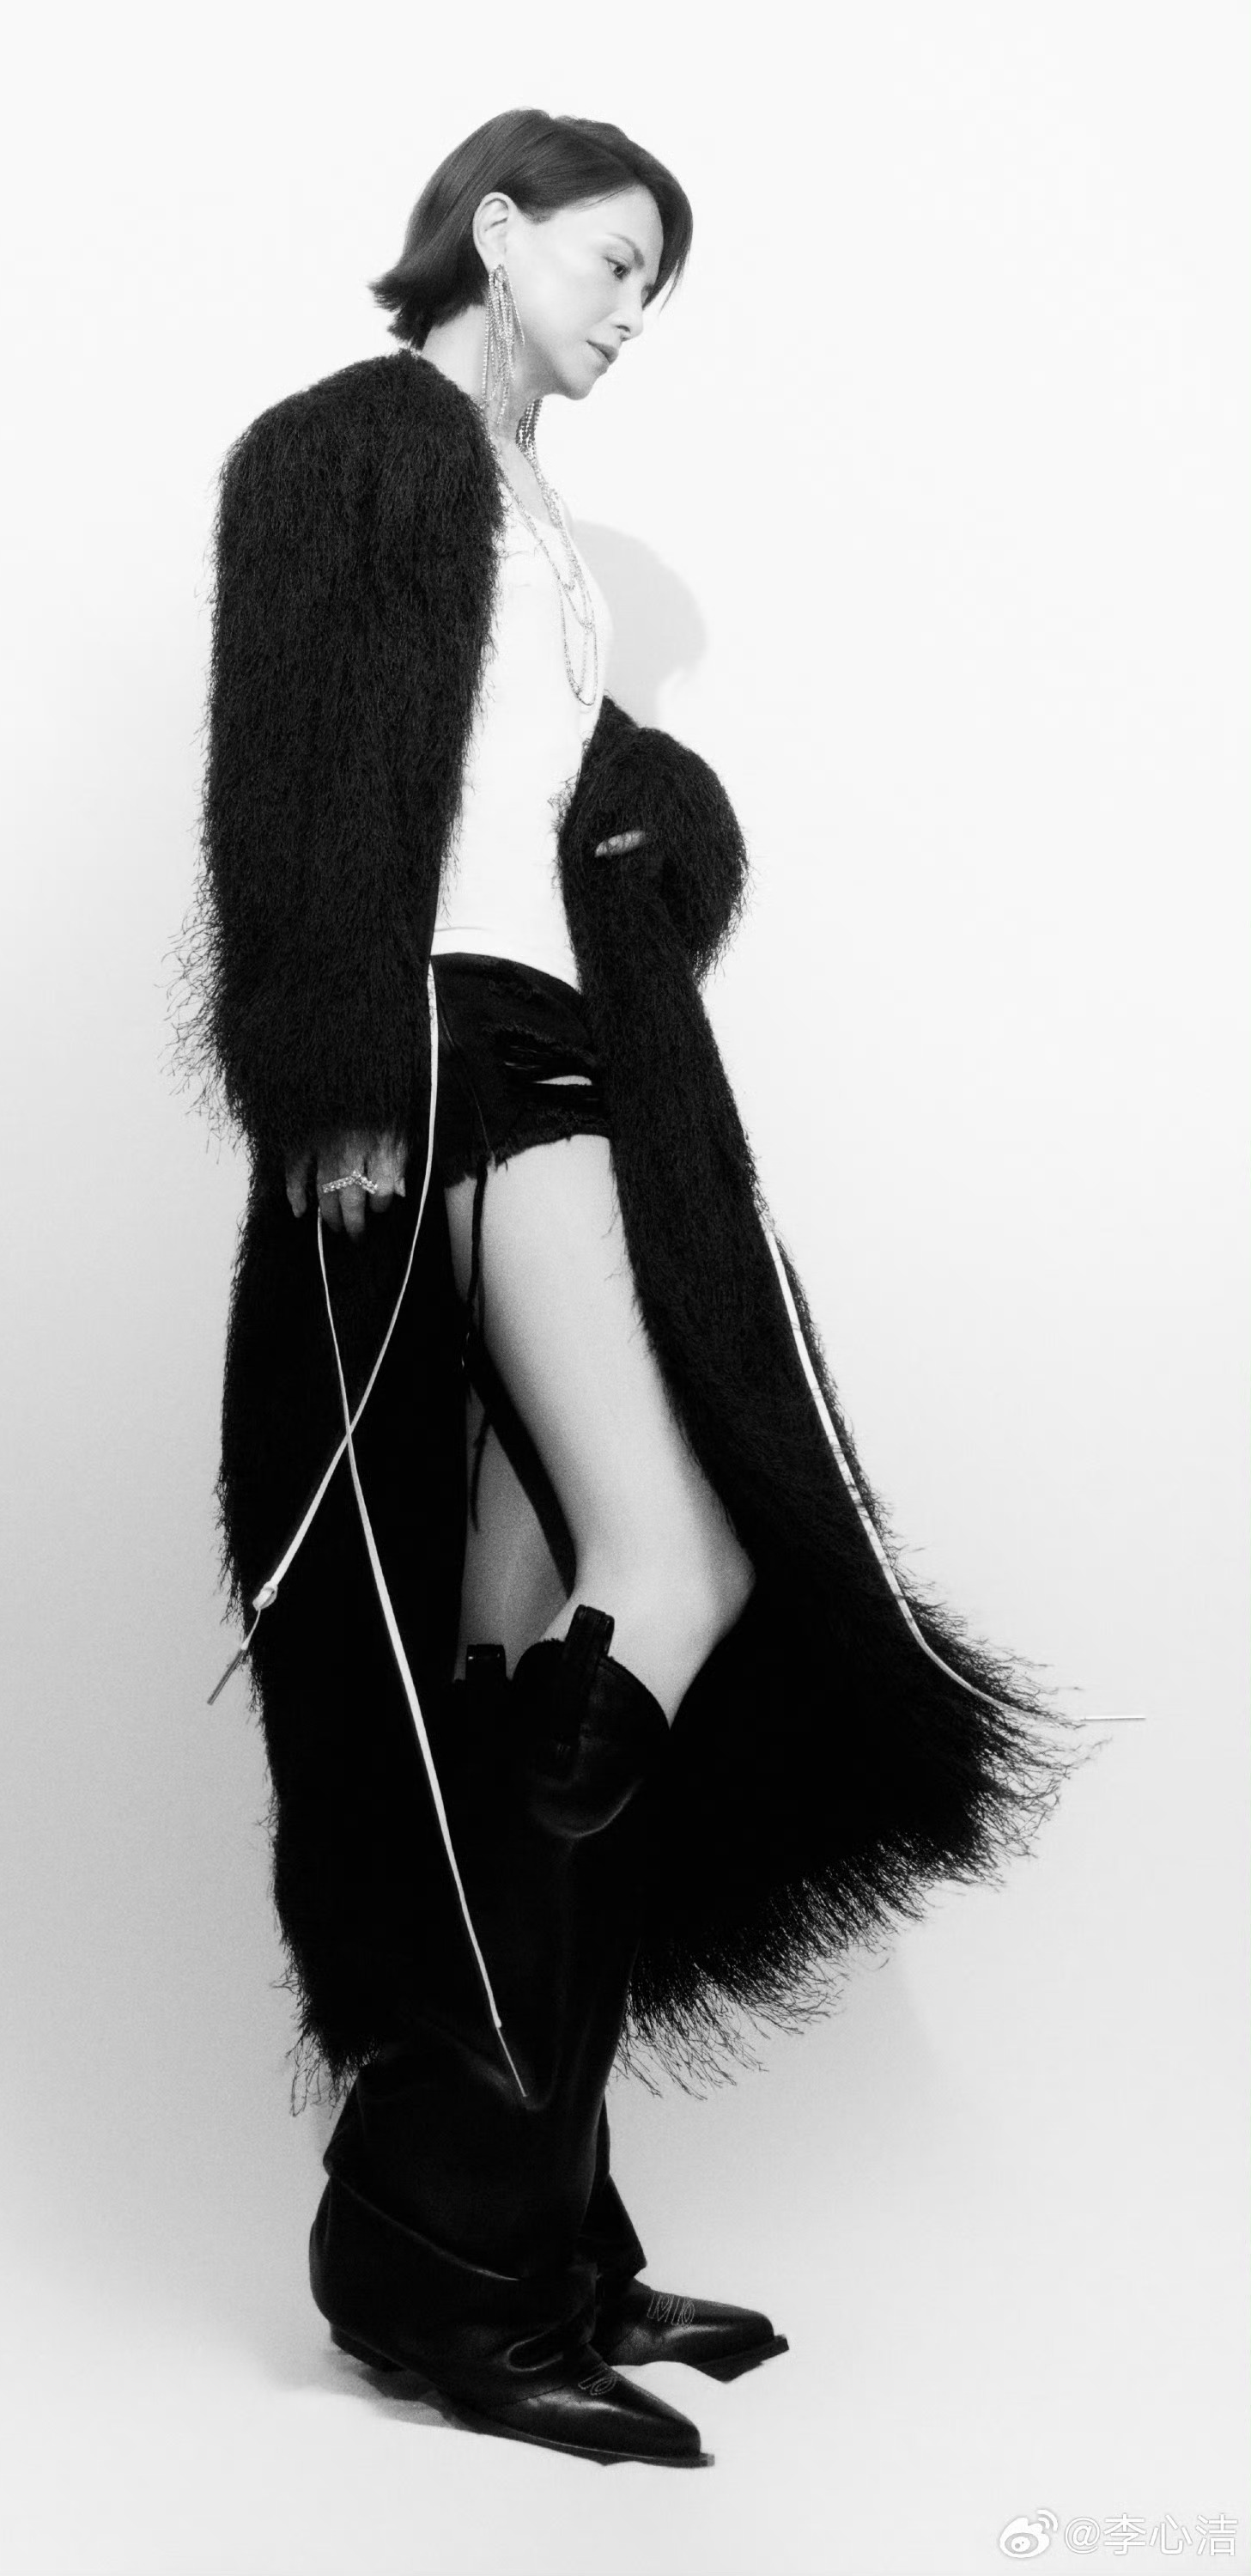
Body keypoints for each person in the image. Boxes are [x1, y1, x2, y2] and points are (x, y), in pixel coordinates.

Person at [176, 108, 1096, 2469]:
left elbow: (536, 813)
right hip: (453, 1065)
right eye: (610, 260)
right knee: (671, 1560)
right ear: (495, 232)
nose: (631, 310)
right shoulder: (357, 449)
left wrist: (658, 818)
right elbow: (296, 777)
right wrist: (330, 1074)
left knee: (520, 1646)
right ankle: (436, 2238)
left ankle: (534, 2240)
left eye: (655, 284)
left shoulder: (545, 525)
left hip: (562, 1048)